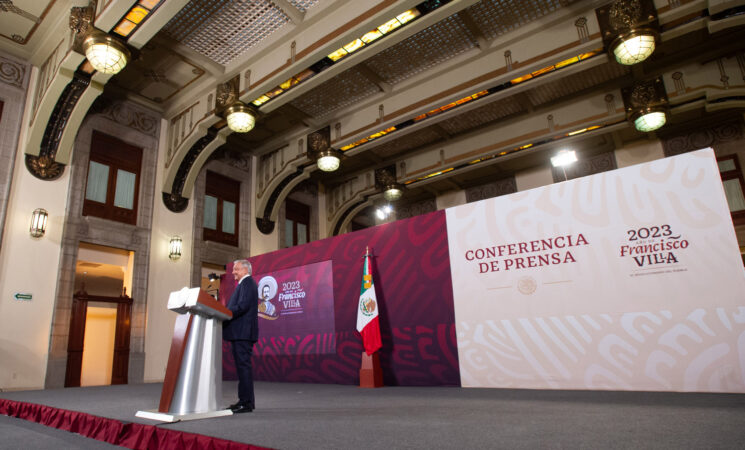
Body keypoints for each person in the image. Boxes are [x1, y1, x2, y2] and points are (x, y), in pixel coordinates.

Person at [223, 259, 258, 413]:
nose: (233, 272)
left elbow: (243, 306)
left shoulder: (248, 283)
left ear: (245, 269)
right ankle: (243, 400)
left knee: (244, 368)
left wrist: (226, 313)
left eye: (236, 269)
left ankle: (246, 403)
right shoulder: (244, 284)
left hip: (243, 333)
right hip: (240, 333)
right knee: (242, 368)